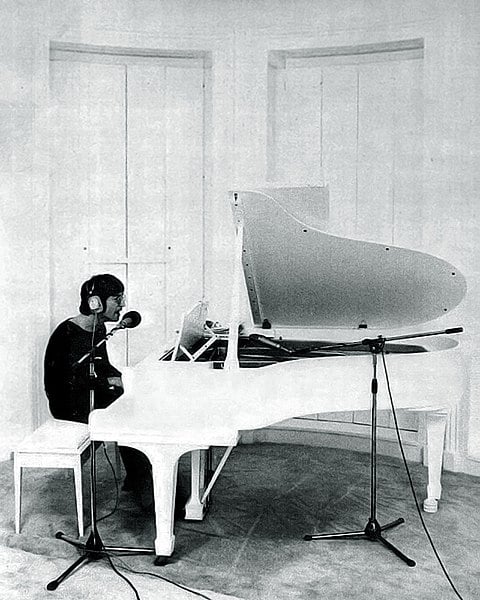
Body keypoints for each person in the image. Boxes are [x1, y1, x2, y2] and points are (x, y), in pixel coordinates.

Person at [44, 273, 152, 507]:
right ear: (96, 303)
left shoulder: (99, 328)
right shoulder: (69, 333)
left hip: (89, 393)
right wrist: (111, 384)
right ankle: (143, 482)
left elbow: (101, 365)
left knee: (130, 400)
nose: (122, 305)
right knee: (124, 410)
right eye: (117, 298)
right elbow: (69, 380)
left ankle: (139, 477)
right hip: (69, 404)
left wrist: (127, 378)